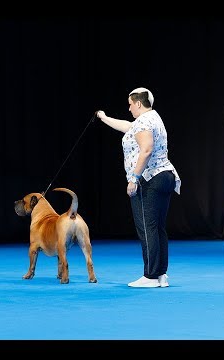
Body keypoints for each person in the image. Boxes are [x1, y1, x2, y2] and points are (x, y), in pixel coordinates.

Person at [96, 87, 181, 288]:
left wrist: (134, 178)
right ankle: (160, 274)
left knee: (147, 227)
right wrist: (104, 117)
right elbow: (127, 126)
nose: (129, 108)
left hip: (149, 179)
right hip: (166, 176)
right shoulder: (153, 118)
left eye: (130, 104)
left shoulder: (144, 121)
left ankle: (150, 276)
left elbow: (146, 149)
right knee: (158, 227)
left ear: (138, 103)